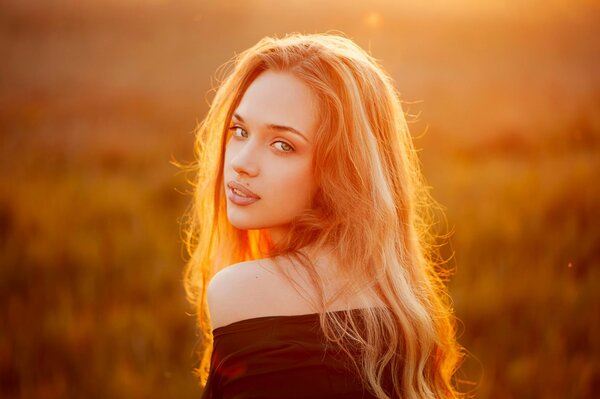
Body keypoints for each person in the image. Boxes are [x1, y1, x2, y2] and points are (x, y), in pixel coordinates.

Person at [182, 32, 464, 399]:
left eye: (283, 145)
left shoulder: (242, 291)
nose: (240, 162)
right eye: (239, 130)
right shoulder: (400, 303)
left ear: (343, 169)